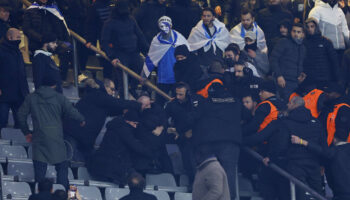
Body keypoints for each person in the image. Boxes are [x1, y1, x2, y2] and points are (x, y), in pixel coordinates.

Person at [17, 77, 85, 190]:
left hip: (39, 138)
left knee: (40, 173)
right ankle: (62, 195)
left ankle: (40, 196)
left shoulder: (31, 98)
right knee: (62, 169)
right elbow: (72, 112)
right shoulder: (59, 98)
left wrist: (27, 132)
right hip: (56, 139)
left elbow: (20, 115)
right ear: (54, 85)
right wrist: (81, 119)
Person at [63, 78, 141, 161]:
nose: (113, 92)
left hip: (82, 137)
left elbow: (109, 111)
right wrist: (137, 104)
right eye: (112, 89)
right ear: (105, 87)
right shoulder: (99, 95)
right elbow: (118, 103)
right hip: (77, 135)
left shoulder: (95, 99)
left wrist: (123, 111)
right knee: (68, 159)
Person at [192, 82, 242, 200]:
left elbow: (194, 117)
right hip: (230, 142)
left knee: (205, 170)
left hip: (207, 142)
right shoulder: (236, 102)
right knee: (229, 174)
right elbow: (247, 116)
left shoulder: (205, 102)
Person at [87, 109, 154, 184]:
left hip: (104, 164)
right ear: (127, 121)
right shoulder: (123, 129)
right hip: (110, 165)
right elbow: (135, 145)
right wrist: (151, 153)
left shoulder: (117, 126)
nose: (135, 126)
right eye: (134, 123)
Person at [101, 0, 149, 96]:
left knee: (142, 71)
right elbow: (104, 42)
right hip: (120, 54)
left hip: (134, 53)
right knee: (123, 81)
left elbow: (140, 36)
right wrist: (112, 56)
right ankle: (125, 98)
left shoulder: (131, 19)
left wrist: (148, 50)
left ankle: (133, 89)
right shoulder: (110, 23)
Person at [283, 96, 325, 200]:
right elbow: (323, 145)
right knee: (318, 194)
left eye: (289, 103)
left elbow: (281, 144)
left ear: (294, 104)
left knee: (299, 194)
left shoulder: (286, 122)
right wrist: (322, 164)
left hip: (295, 163)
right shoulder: (317, 123)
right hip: (314, 163)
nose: (287, 105)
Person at [142, 16, 189, 105]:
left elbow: (188, 56)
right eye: (162, 26)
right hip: (163, 78)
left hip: (178, 78)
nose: (164, 29)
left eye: (166, 26)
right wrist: (143, 75)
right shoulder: (156, 41)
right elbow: (150, 58)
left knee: (180, 103)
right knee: (159, 104)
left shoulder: (179, 38)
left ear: (171, 25)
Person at [23, 0, 71, 85]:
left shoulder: (54, 9)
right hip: (37, 42)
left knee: (67, 49)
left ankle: (61, 78)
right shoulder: (30, 11)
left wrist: (57, 39)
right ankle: (39, 80)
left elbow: (61, 27)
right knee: (40, 57)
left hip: (52, 41)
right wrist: (40, 38)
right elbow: (27, 29)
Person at [291, 129, 350, 200]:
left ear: (334, 139)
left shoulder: (332, 152)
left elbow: (319, 150)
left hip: (342, 193)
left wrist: (301, 141)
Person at [165, 82, 203, 182]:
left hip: (197, 136)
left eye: (181, 94)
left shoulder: (197, 102)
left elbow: (199, 117)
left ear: (188, 93)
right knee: (187, 162)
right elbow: (164, 118)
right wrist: (174, 130)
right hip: (182, 137)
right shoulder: (172, 105)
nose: (178, 97)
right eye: (176, 94)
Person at [0, 28, 29, 131]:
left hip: (18, 94)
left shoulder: (18, 52)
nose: (19, 39)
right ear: (9, 37)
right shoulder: (1, 50)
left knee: (20, 123)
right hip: (4, 94)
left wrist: (25, 92)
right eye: (17, 37)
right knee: (2, 121)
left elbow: (22, 74)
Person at [270, 23, 306, 101]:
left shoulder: (303, 47)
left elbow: (301, 63)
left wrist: (302, 74)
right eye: (294, 31)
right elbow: (273, 59)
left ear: (303, 34)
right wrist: (279, 75)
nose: (296, 34)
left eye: (298, 32)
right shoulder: (283, 42)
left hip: (296, 82)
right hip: (284, 80)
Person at [303, 17, 340, 84]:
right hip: (310, 78)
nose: (310, 29)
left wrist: (337, 79)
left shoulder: (325, 41)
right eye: (308, 27)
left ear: (316, 27)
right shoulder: (304, 42)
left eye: (312, 26)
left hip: (325, 77)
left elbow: (334, 61)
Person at [85, 0, 114, 79]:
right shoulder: (110, 5)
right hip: (106, 38)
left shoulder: (97, 6)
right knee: (108, 61)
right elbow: (91, 25)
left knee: (107, 61)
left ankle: (109, 80)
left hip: (106, 38)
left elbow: (90, 25)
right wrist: (90, 40)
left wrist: (90, 40)